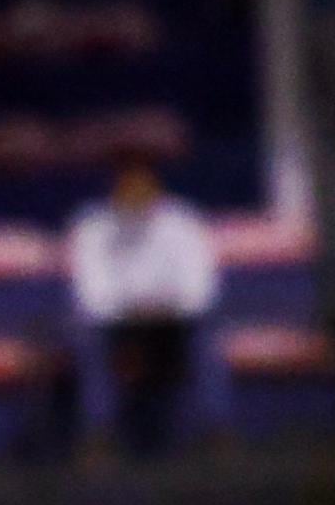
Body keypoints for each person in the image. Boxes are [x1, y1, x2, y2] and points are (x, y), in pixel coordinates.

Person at [61, 158, 221, 461]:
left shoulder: (184, 223)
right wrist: (131, 308)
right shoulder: (93, 228)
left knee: (206, 339)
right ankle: (99, 435)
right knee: (88, 339)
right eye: (128, 200)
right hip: (117, 323)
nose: (136, 209)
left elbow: (200, 291)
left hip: (174, 321)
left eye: (143, 200)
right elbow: (91, 296)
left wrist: (164, 307)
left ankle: (216, 431)